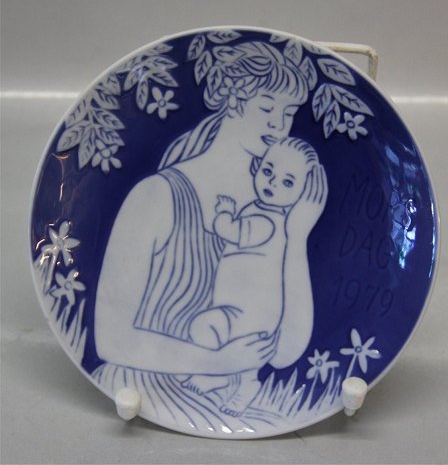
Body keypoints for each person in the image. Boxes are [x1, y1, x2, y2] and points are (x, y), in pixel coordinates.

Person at [92, 41, 328, 424]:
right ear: (233, 99)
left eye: (287, 114)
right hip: (147, 391)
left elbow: (283, 353)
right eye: (267, 108)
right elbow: (110, 340)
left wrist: (298, 236)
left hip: (225, 405)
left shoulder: (273, 210)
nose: (278, 125)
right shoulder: (158, 194)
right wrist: (215, 361)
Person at [182, 137, 322, 417]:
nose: (272, 183)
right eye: (268, 171)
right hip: (232, 306)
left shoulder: (269, 222)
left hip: (254, 314)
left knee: (240, 350)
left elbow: (231, 231)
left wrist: (223, 214)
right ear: (256, 166)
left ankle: (247, 387)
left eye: (287, 182)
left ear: (302, 192)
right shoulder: (258, 209)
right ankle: (218, 376)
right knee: (204, 328)